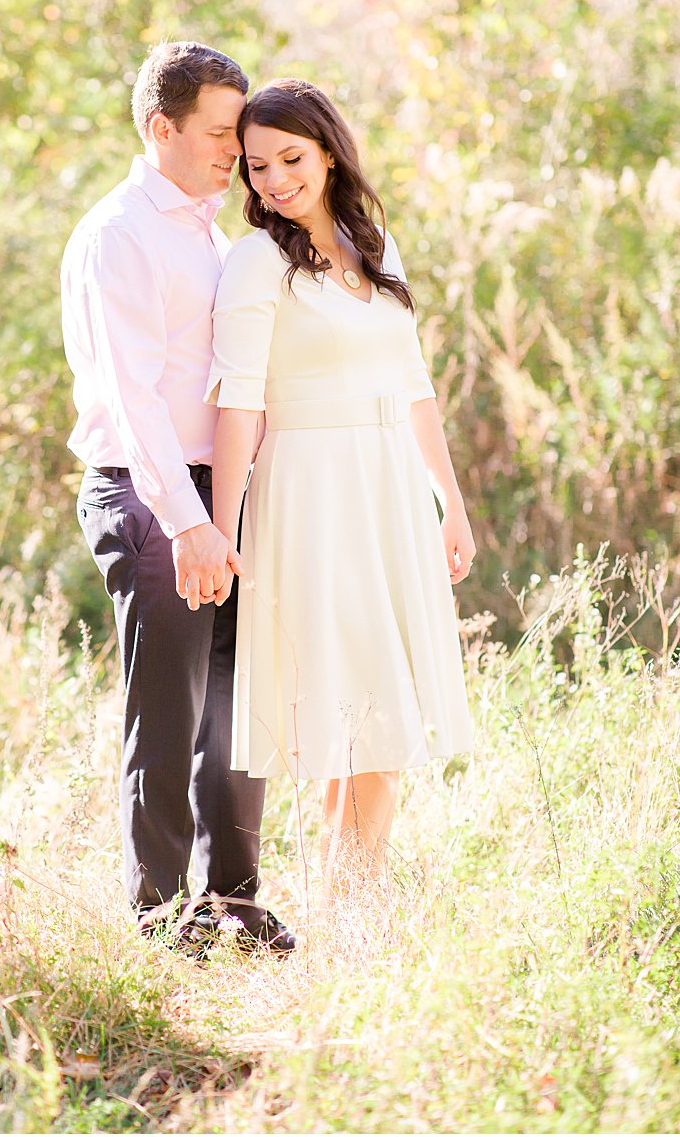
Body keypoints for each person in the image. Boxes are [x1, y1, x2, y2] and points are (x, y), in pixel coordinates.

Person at [206, 78, 476, 893]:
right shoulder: (256, 263)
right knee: (353, 709)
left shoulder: (375, 246)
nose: (274, 181)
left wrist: (449, 501)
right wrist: (224, 531)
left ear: (328, 151)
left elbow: (415, 384)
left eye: (290, 158)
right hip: (311, 492)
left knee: (376, 703)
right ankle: (357, 905)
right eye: (256, 167)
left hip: (390, 486)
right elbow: (238, 405)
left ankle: (348, 897)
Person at [61, 42, 295, 957]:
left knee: (240, 703)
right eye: (213, 133)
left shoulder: (207, 228)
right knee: (167, 709)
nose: (232, 151)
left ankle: (231, 903)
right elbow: (134, 397)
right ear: (160, 128)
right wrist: (189, 523)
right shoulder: (118, 234)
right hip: (152, 496)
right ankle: (157, 921)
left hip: (221, 491)